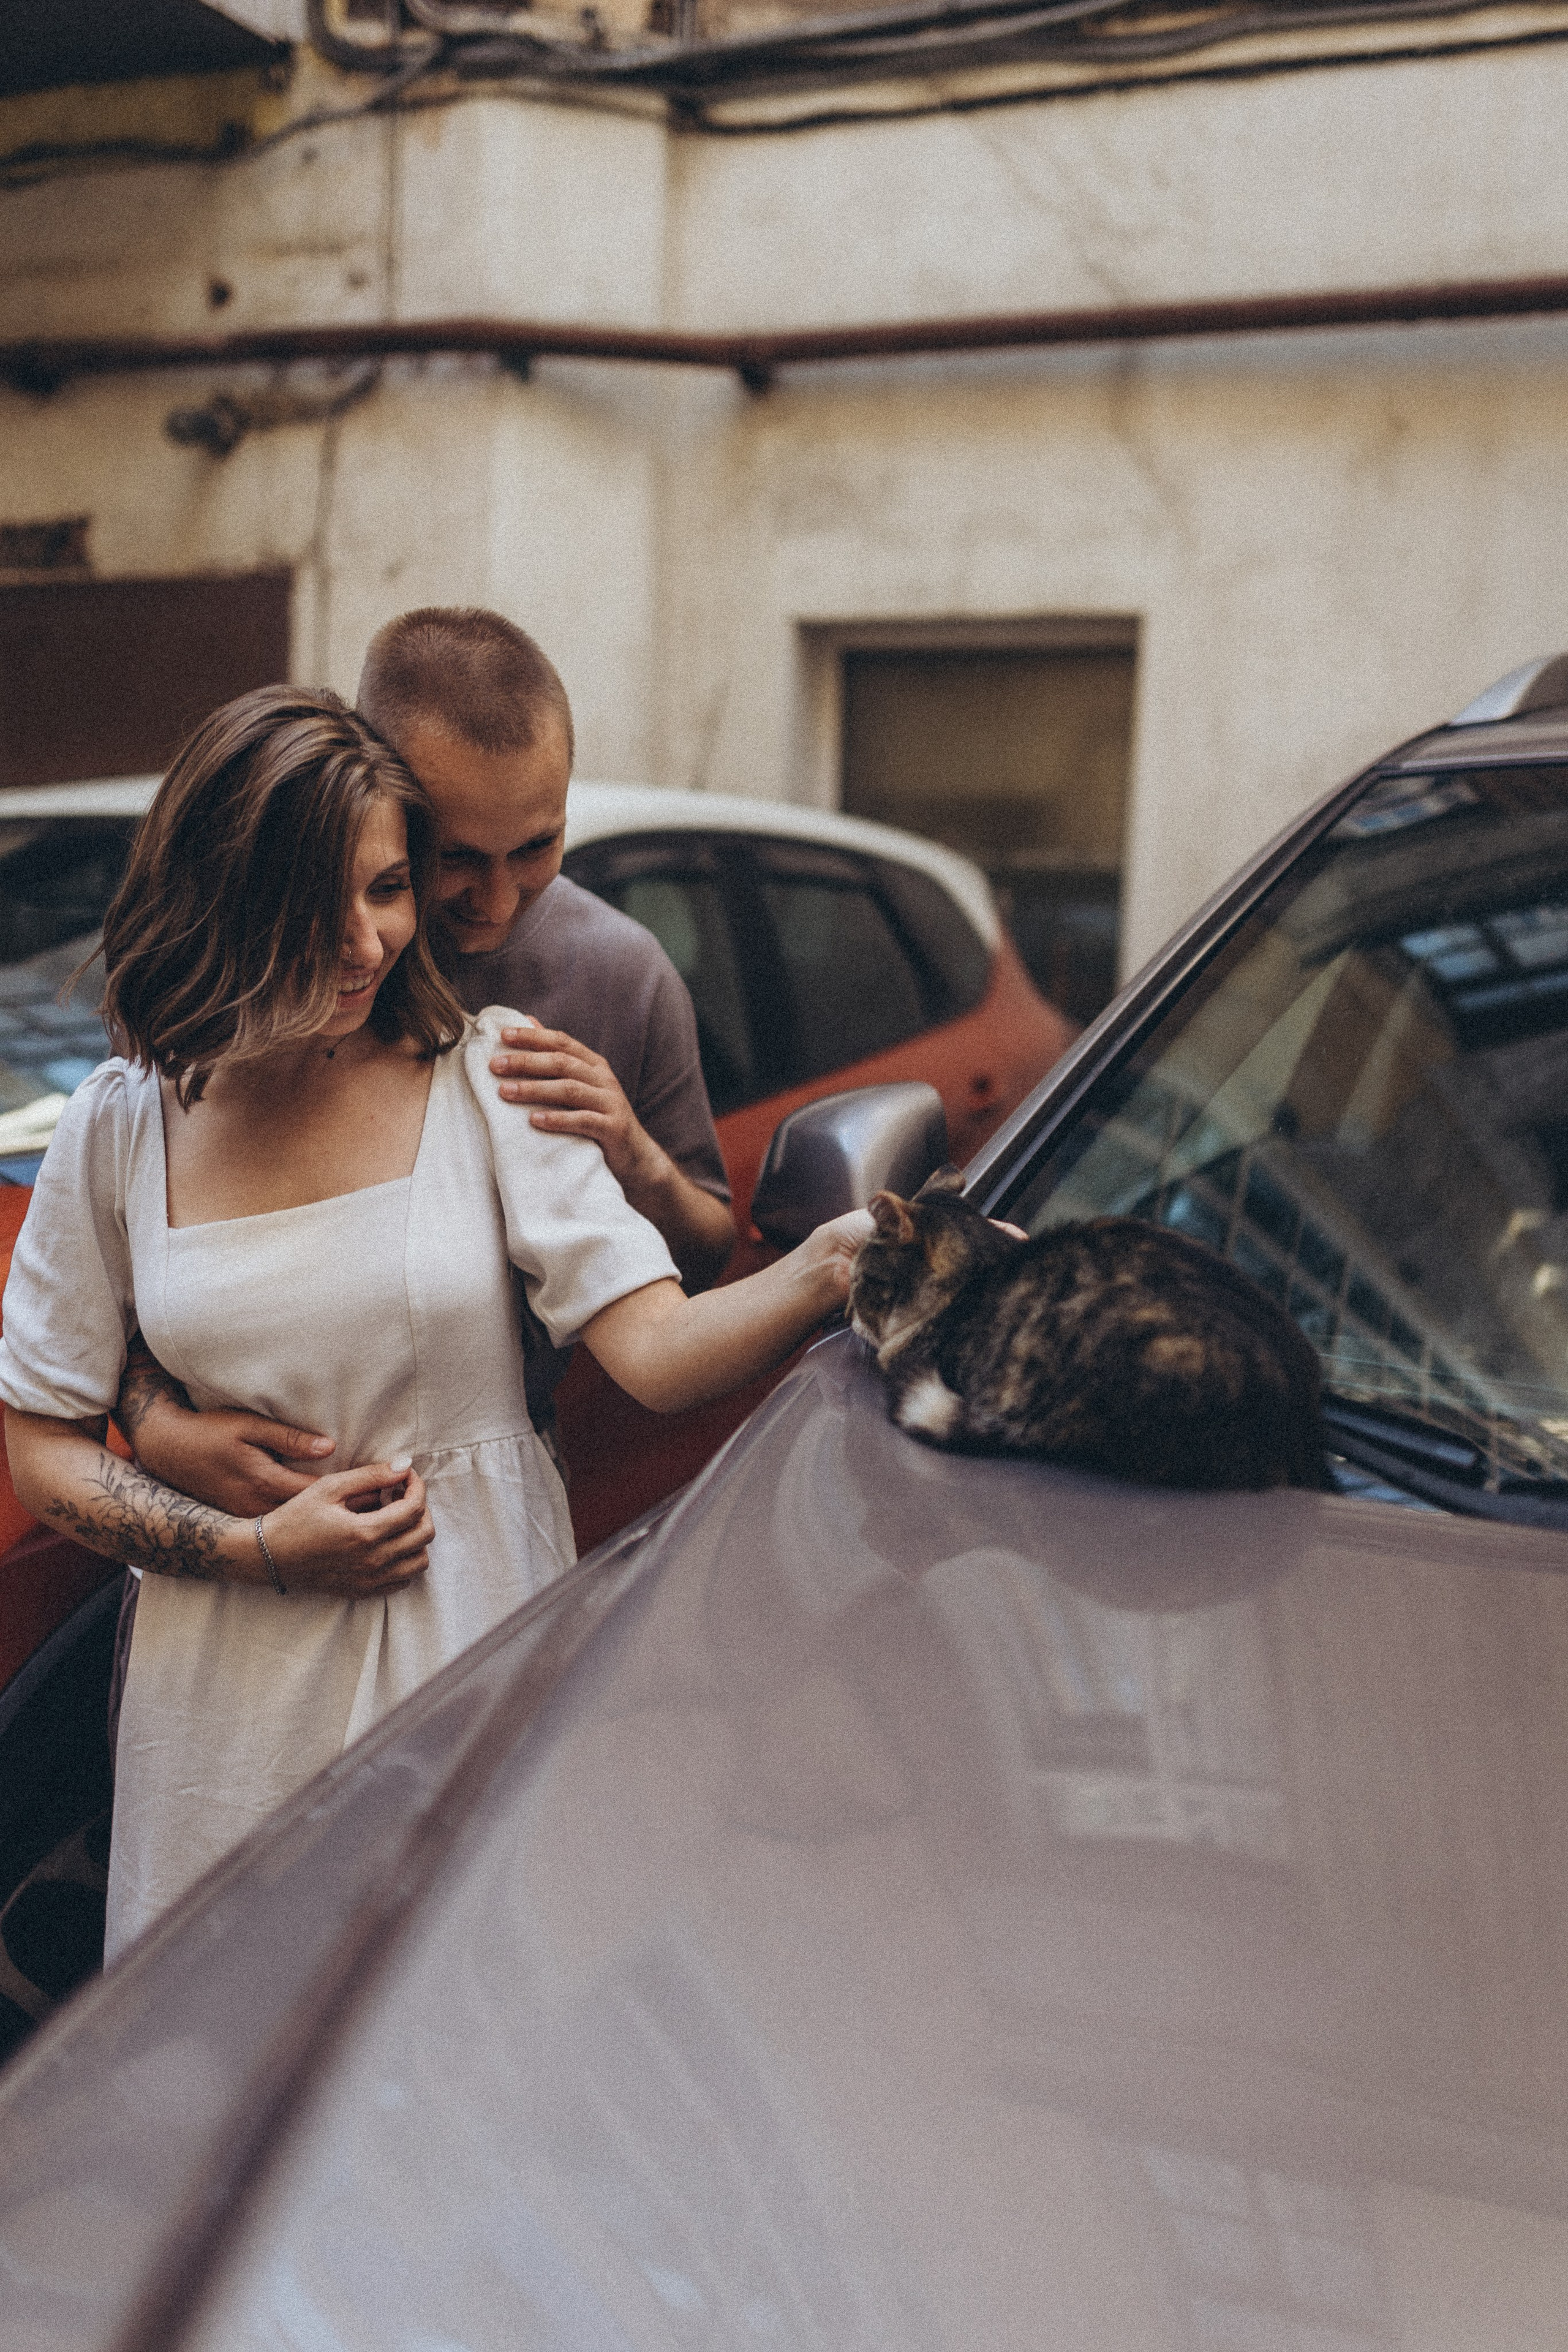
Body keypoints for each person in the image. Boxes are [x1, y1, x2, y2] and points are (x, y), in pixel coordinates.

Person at [0, 687, 867, 1959]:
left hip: (468, 1640)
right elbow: (41, 1444)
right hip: (225, 1693)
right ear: (226, 892)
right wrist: (254, 1551)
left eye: (388, 890)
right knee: (223, 2048)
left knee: (458, 2019)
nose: (367, 942)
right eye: (322, 901)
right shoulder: (122, 1126)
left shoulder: (490, 1075)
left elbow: (659, 1356)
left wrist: (835, 1266)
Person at [120, 607, 735, 1515]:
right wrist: (155, 1426)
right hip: (247, 1510)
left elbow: (705, 1260)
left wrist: (637, 1158)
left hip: (488, 1490)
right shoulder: (244, 979)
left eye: (538, 846)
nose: (497, 900)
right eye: (453, 858)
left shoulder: (621, 973)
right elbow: (132, 1270)